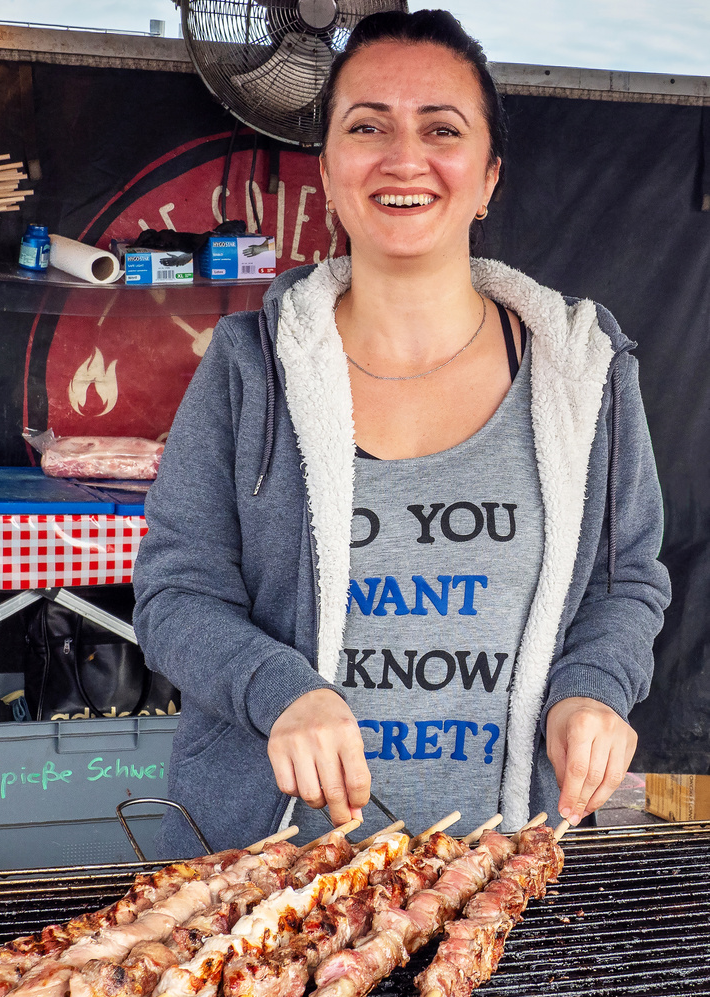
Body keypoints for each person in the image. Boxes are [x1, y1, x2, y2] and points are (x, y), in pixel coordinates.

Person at [133, 10, 671, 855]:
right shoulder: (249, 367)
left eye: (441, 128)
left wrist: (590, 692)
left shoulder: (583, 372)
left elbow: (623, 584)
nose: (403, 157)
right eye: (367, 126)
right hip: (262, 872)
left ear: (488, 177)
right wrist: (282, 692)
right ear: (329, 170)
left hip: (493, 874)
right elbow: (176, 593)